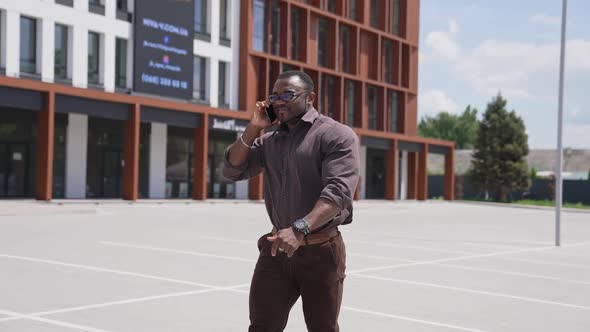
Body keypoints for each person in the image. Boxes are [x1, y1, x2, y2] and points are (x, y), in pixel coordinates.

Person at [222, 70, 360, 332]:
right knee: (261, 327)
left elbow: (338, 192)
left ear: (310, 98)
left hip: (320, 253)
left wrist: (299, 229)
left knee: (322, 328)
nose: (279, 101)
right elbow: (232, 170)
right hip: (277, 252)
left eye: (288, 94)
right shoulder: (269, 141)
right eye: (274, 97)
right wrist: (253, 128)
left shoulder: (336, 135)